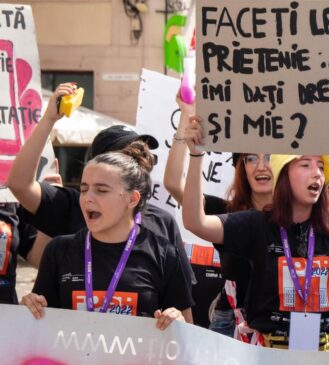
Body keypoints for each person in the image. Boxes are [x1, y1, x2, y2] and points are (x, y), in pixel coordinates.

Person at [181, 115, 329, 351]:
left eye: (321, 166)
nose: (317, 172)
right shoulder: (257, 225)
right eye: (306, 164)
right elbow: (195, 222)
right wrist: (195, 155)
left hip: (325, 360)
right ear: (283, 174)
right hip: (268, 360)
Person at [6, 82, 195, 318]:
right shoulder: (72, 209)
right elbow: (20, 184)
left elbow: (184, 318)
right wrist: (49, 119)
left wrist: (173, 320)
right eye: (127, 156)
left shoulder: (162, 226)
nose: (138, 163)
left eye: (142, 156)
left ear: (133, 198)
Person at [19, 147, 192, 329]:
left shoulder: (165, 255)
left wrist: (176, 321)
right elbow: (39, 324)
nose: (87, 198)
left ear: (132, 199)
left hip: (138, 357)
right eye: (84, 189)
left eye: (101, 190)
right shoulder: (59, 249)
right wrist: (30, 307)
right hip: (73, 357)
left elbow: (187, 331)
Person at [163, 92, 273, 336]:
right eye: (251, 158)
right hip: (230, 322)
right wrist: (185, 117)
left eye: (270, 157)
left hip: (278, 324)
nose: (262, 165)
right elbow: (172, 182)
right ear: (241, 168)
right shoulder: (226, 214)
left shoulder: (298, 217)